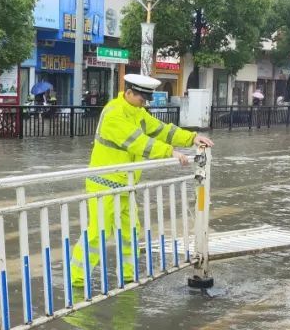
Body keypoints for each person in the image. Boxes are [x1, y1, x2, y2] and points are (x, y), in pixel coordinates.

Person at [70, 74, 213, 289]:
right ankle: (77, 281)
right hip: (104, 183)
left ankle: (128, 277)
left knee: (130, 233)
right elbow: (138, 142)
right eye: (141, 99)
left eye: (146, 101)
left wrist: (191, 138)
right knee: (98, 233)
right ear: (128, 93)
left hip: (126, 184)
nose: (144, 104)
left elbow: (162, 129)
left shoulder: (137, 112)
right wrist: (169, 152)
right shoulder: (114, 114)